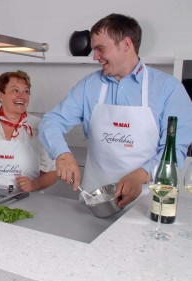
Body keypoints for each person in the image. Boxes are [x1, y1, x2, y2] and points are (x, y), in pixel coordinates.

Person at [39, 14, 192, 208]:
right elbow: (52, 120)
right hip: (95, 202)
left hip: (146, 203)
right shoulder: (89, 86)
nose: (95, 57)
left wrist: (140, 175)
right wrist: (62, 154)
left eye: (100, 49)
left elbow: (174, 151)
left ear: (126, 44)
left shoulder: (169, 89)